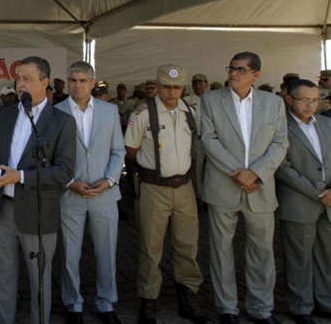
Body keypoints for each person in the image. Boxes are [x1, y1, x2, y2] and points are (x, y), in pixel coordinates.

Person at [0, 56, 76, 324]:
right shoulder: (5, 114)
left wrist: (21, 176)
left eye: (27, 79)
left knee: (40, 281)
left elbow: (64, 171)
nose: (20, 84)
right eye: (18, 78)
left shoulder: (62, 121)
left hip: (38, 212)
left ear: (44, 82)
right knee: (2, 278)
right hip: (2, 208)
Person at [200, 51, 288, 324]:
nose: (233, 73)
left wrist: (256, 174)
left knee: (262, 252)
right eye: (231, 68)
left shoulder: (273, 103)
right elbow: (209, 139)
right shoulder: (211, 100)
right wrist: (239, 173)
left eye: (240, 69)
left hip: (260, 188)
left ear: (256, 74)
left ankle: (261, 308)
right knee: (221, 250)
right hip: (223, 186)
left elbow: (280, 143)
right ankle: (227, 308)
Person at [125, 65, 212, 324]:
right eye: (166, 86)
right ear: (158, 86)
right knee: (150, 247)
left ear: (183, 88)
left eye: (176, 87)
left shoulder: (190, 112)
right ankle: (148, 299)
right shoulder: (143, 113)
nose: (171, 92)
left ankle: (188, 296)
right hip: (154, 187)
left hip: (184, 187)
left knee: (187, 245)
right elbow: (131, 149)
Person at [55, 61, 125, 324]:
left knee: (106, 251)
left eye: (83, 80)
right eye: (73, 80)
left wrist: (110, 180)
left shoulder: (109, 110)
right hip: (70, 193)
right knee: (69, 253)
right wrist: (69, 182)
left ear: (93, 83)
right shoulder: (56, 112)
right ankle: (73, 304)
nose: (77, 85)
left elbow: (118, 150)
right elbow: (51, 155)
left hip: (104, 194)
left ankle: (105, 302)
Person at [276, 79, 331, 323]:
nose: (310, 105)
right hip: (299, 202)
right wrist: (318, 191)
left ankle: (325, 302)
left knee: (326, 256)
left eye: (315, 100)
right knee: (299, 258)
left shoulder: (327, 124)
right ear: (290, 99)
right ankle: (301, 307)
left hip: (329, 202)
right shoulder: (280, 127)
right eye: (304, 100)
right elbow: (282, 167)